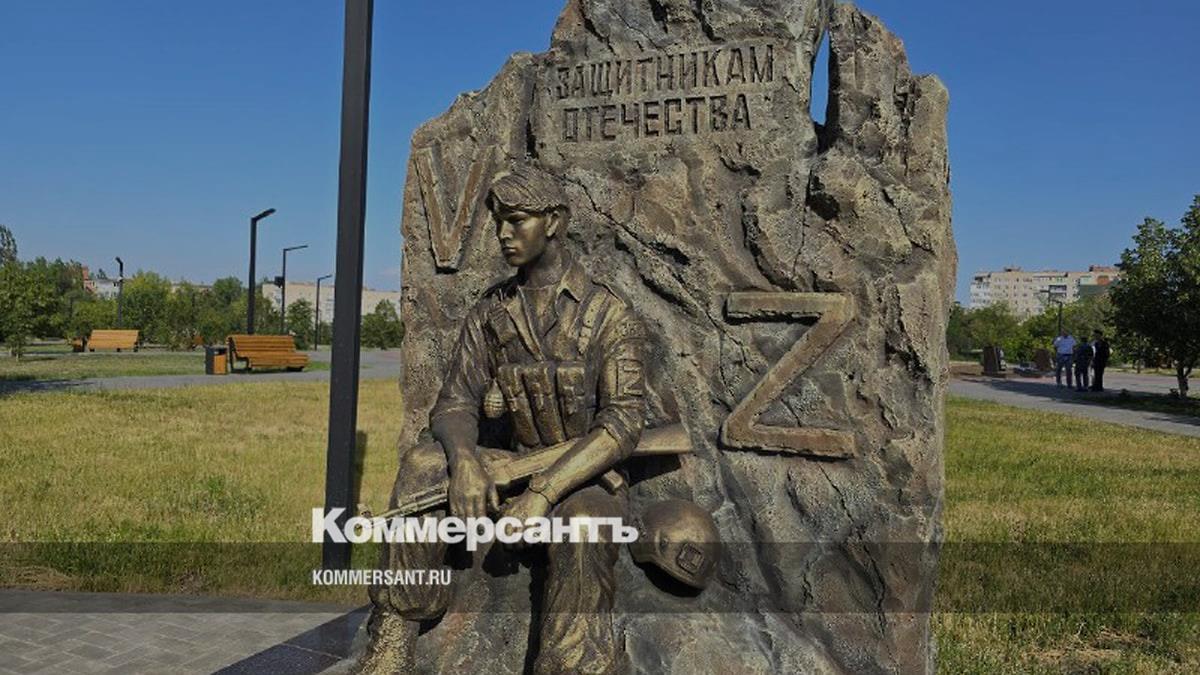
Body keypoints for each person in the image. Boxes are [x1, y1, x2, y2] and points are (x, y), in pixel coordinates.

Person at [358, 163, 647, 675]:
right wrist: (465, 462)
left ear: (553, 222)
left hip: (581, 478)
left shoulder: (608, 314)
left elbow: (622, 424)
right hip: (507, 465)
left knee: (584, 524)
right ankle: (393, 639)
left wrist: (542, 494)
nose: (502, 234)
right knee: (423, 465)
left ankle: (572, 666)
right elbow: (454, 402)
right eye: (498, 222)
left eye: (516, 220)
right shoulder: (492, 311)